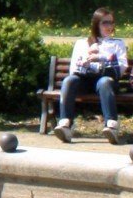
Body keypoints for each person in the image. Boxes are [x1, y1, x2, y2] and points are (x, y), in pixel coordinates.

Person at [53, 9, 129, 144]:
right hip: (85, 81)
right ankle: (66, 124)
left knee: (104, 82)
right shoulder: (82, 43)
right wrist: (86, 62)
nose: (109, 26)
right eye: (105, 23)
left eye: (111, 23)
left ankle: (111, 125)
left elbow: (122, 67)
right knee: (69, 80)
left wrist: (101, 58)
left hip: (107, 82)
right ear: (96, 24)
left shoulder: (118, 43)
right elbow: (74, 69)